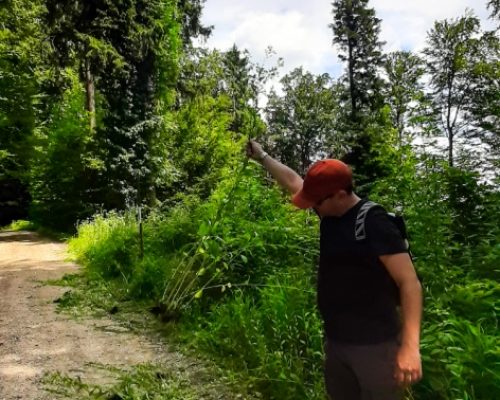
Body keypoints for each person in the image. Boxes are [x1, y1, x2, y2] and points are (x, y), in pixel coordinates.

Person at [246, 140, 423, 400]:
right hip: (337, 343)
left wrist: (410, 347)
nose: (311, 207)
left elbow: (410, 283)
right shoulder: (329, 212)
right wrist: (262, 156)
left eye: (315, 202)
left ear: (340, 194)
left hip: (375, 348)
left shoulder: (375, 223)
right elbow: (294, 182)